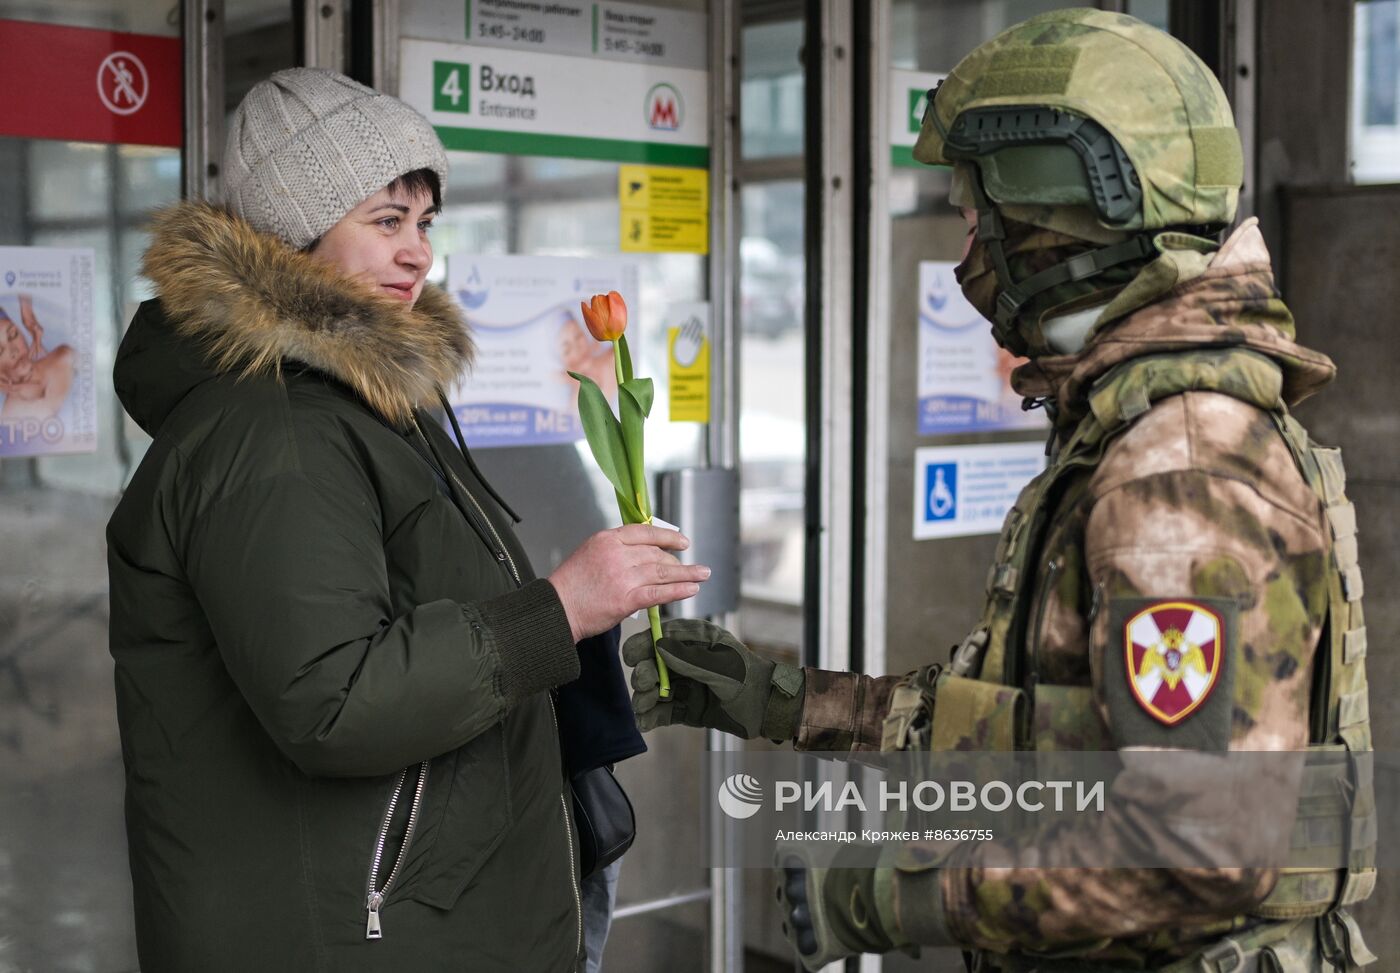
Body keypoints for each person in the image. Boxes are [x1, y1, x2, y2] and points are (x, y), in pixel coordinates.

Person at [625, 9, 1376, 972]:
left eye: (978, 218)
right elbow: (1035, 730)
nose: (967, 254)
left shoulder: (1180, 465)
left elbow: (1200, 843)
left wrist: (892, 898)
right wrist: (770, 698)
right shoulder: (1143, 428)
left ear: (1053, 213)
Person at [106, 67, 708, 972]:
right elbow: (334, 699)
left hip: (413, 913)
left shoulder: (360, 402)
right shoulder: (276, 430)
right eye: (385, 222)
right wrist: (563, 606)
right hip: (357, 931)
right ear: (291, 236)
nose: (418, 253)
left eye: (423, 223)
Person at [0, 295, 75, 419]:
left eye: (13, 335)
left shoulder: (64, 357)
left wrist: (28, 314)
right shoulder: (11, 415)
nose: (13, 350)